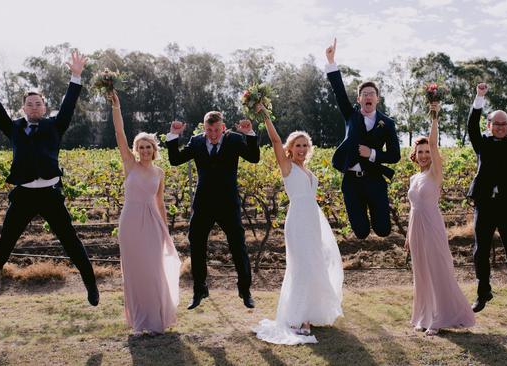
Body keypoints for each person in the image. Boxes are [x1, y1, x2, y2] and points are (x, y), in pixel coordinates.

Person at [0, 53, 98, 306]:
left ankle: (91, 285)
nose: (34, 107)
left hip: (50, 195)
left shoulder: (54, 126)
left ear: (44, 107)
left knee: (70, 241)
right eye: (30, 104)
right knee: (6, 242)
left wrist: (76, 76)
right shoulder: (13, 127)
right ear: (23, 108)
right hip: (24, 195)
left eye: (38, 104)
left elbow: (69, 104)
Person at [252, 104, 343, 344]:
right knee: (302, 265)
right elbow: (274, 141)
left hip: (313, 220)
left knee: (315, 264)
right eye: (297, 145)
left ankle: (310, 314)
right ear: (290, 149)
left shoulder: (307, 169)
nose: (302, 149)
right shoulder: (287, 166)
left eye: (305, 145)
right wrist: (265, 116)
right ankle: (300, 318)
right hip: (298, 221)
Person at [166, 112, 259, 309]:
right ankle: (199, 289)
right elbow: (175, 160)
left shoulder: (234, 139)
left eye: (217, 130)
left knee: (238, 245)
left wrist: (249, 133)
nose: (213, 134)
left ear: (223, 127)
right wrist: (174, 136)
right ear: (204, 128)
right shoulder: (196, 141)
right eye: (209, 130)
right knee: (196, 243)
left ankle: (245, 290)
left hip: (228, 204)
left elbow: (254, 157)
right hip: (204, 204)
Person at [109, 92, 180, 334]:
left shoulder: (160, 172)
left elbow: (160, 203)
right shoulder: (130, 164)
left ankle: (156, 319)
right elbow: (119, 135)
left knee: (153, 270)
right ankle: (139, 321)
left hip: (152, 222)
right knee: (134, 271)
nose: (145, 150)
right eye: (141, 147)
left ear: (154, 149)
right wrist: (117, 107)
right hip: (130, 221)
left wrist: (165, 230)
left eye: (148, 146)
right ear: (136, 149)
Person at [405, 102, 475, 336]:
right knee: (421, 272)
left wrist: (434, 116)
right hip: (416, 228)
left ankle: (439, 317)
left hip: (432, 225)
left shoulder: (436, 172)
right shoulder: (414, 177)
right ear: (415, 155)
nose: (425, 155)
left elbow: (434, 143)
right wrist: (407, 235)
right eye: (421, 152)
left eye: (428, 151)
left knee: (436, 269)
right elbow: (412, 207)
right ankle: (424, 316)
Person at [325, 38, 400, 239]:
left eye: (372, 93)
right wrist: (331, 62)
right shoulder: (351, 116)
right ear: (359, 99)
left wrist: (373, 154)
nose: (368, 96)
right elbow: (339, 92)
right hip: (351, 182)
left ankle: (380, 220)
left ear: (377, 99)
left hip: (375, 180)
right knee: (361, 232)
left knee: (383, 230)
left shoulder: (388, 124)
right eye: (364, 94)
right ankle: (361, 223)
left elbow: (394, 156)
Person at [467, 82, 507, 315]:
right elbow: (471, 126)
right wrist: (479, 98)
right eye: (497, 123)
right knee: (480, 250)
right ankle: (483, 292)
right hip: (484, 204)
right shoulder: (481, 143)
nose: (501, 127)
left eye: (504, 124)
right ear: (490, 124)